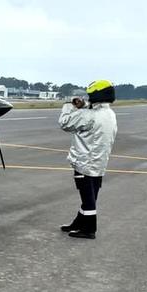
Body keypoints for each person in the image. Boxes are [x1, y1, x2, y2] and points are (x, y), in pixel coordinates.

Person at [58, 80, 118, 239]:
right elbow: (92, 115)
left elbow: (65, 123)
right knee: (91, 195)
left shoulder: (89, 115)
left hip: (84, 162)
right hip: (99, 161)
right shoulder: (109, 114)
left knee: (87, 196)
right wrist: (84, 105)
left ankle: (89, 229)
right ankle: (79, 222)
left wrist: (68, 106)